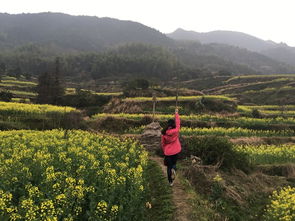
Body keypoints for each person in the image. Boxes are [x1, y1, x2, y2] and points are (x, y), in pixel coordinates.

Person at [161, 108, 181, 186]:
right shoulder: (176, 130)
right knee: (174, 164)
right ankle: (174, 168)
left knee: (168, 167)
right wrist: (176, 113)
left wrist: (164, 151)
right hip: (176, 151)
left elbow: (163, 144)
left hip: (168, 152)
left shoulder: (164, 133)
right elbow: (178, 123)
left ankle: (170, 182)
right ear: (173, 125)